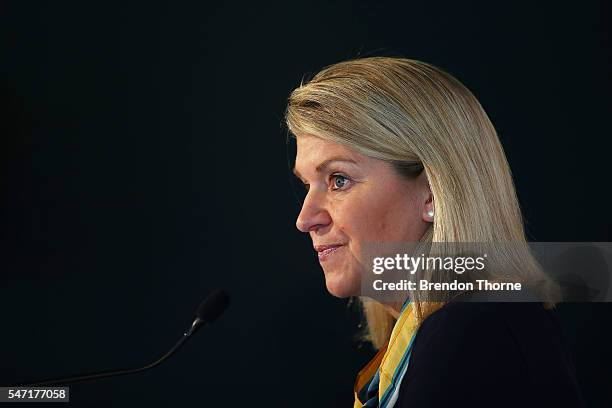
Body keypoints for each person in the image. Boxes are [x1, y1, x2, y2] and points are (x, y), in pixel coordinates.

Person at [285, 57, 584, 407]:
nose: (305, 219)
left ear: (431, 193)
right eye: (307, 184)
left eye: (339, 180)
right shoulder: (455, 329)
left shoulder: (473, 331)